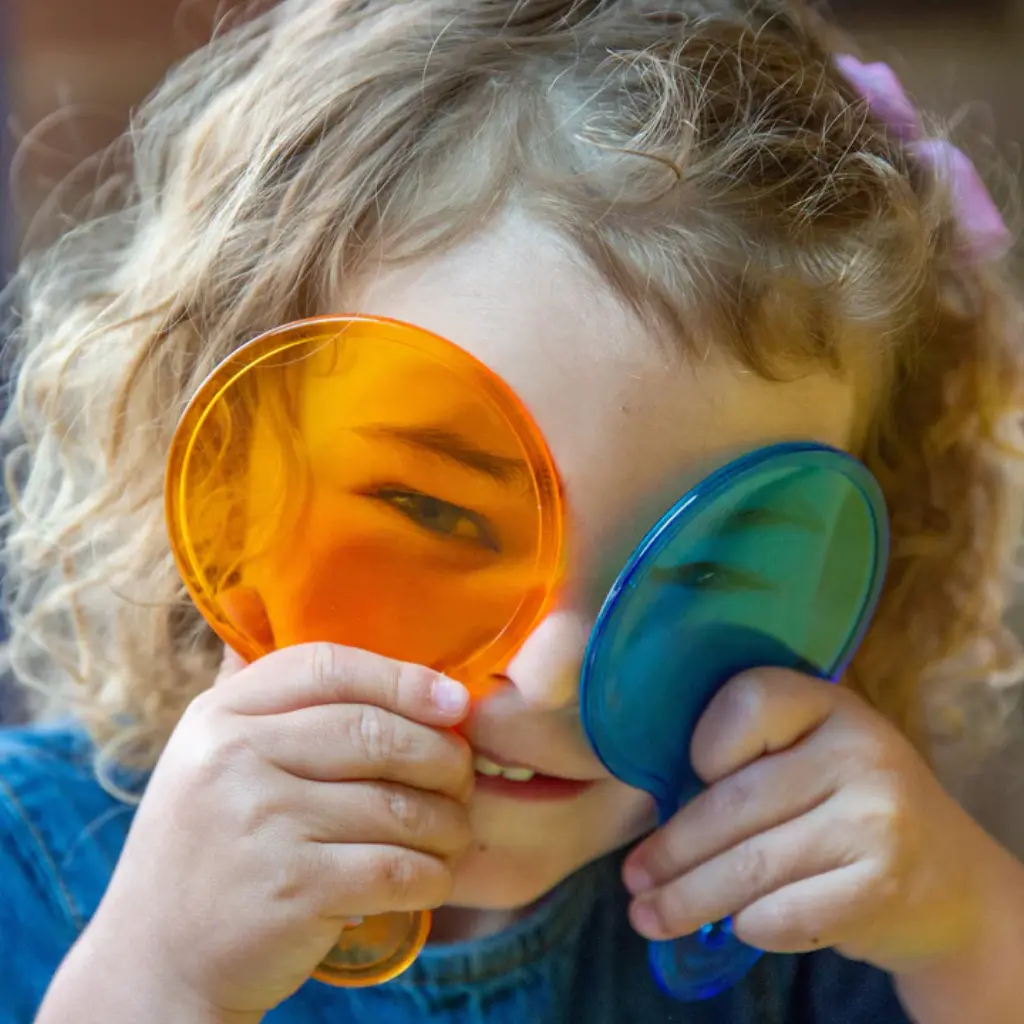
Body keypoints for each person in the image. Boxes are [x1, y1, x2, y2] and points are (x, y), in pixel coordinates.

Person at [1, 2, 1022, 1021]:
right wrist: (161, 980)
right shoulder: (29, 864)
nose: (549, 674)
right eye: (436, 513)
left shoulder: (818, 914)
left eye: (702, 569)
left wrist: (968, 931)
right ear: (228, 469)